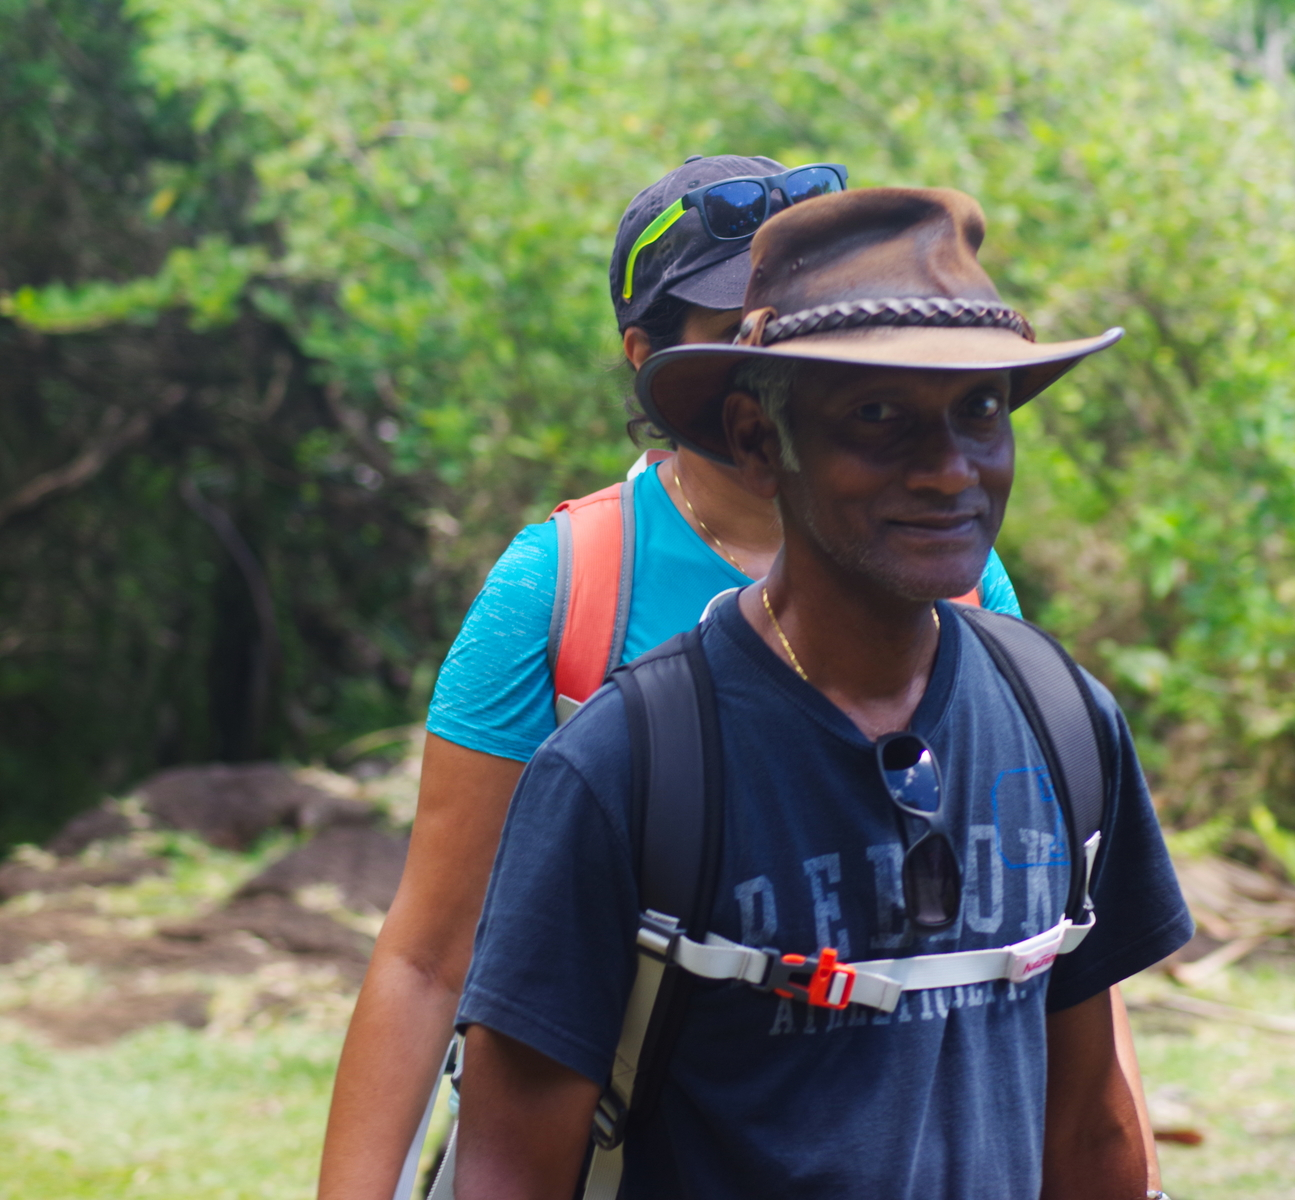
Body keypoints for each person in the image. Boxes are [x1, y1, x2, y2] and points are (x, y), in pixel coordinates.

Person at [452, 186, 1194, 1198]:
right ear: (761, 441)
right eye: (879, 417)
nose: (949, 472)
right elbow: (508, 1166)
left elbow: (1092, 1129)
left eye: (979, 411)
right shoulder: (625, 769)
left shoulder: (1061, 724)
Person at [316, 157, 1026, 1200]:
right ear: (652, 361)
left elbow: (1038, 921)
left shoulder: (947, 571)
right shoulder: (566, 586)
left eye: (796, 329)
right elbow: (431, 953)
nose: (774, 362)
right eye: (738, 333)